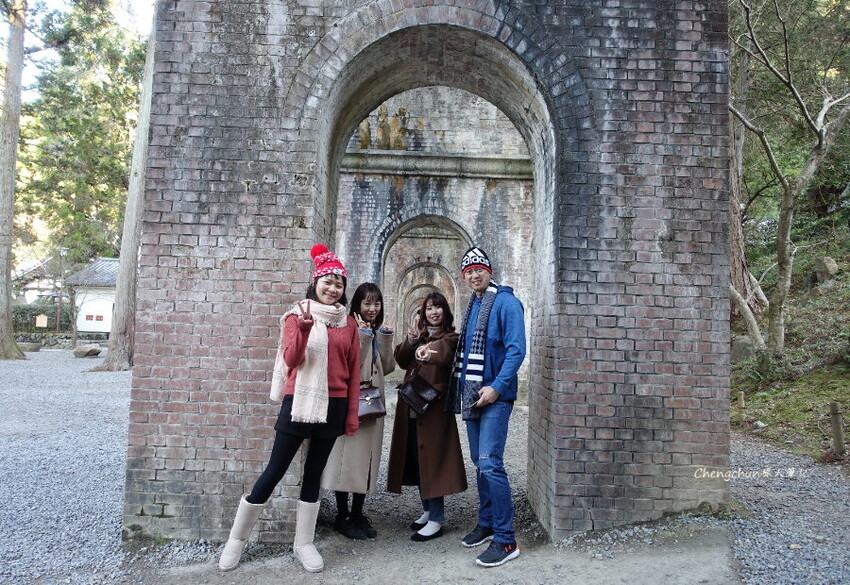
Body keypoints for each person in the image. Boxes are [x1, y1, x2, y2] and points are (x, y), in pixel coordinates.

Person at [218, 244, 360, 574]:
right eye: (328, 282)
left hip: (334, 405)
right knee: (275, 470)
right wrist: (307, 328)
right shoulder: (296, 315)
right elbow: (291, 359)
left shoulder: (348, 323)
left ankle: (304, 543)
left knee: (314, 474)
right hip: (299, 402)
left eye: (339, 284)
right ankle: (236, 540)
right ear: (316, 283)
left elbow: (353, 373)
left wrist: (351, 416)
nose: (333, 288)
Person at [448, 246, 526, 568]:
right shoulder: (474, 306)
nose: (474, 274)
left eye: (479, 268)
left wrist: (496, 388)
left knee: (491, 462)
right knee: (479, 463)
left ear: (489, 271)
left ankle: (506, 540)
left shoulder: (506, 303)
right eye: (468, 271)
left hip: (495, 397)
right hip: (472, 396)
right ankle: (487, 521)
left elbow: (516, 350)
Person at [388, 291, 467, 542]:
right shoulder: (419, 337)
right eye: (429, 308)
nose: (433, 312)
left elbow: (441, 353)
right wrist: (412, 341)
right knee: (419, 459)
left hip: (433, 411)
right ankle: (427, 510)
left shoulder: (451, 338)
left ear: (445, 311)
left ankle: (436, 519)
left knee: (433, 461)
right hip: (412, 406)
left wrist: (425, 352)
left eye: (438, 307)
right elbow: (400, 360)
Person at [320, 282, 395, 540]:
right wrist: (363, 337)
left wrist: (384, 336)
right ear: (357, 305)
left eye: (376, 303)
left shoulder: (372, 328)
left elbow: (386, 367)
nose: (372, 308)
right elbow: (351, 365)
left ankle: (358, 512)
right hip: (353, 401)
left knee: (367, 459)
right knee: (347, 459)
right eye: (367, 303)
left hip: (372, 403)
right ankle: (342, 515)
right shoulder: (348, 326)